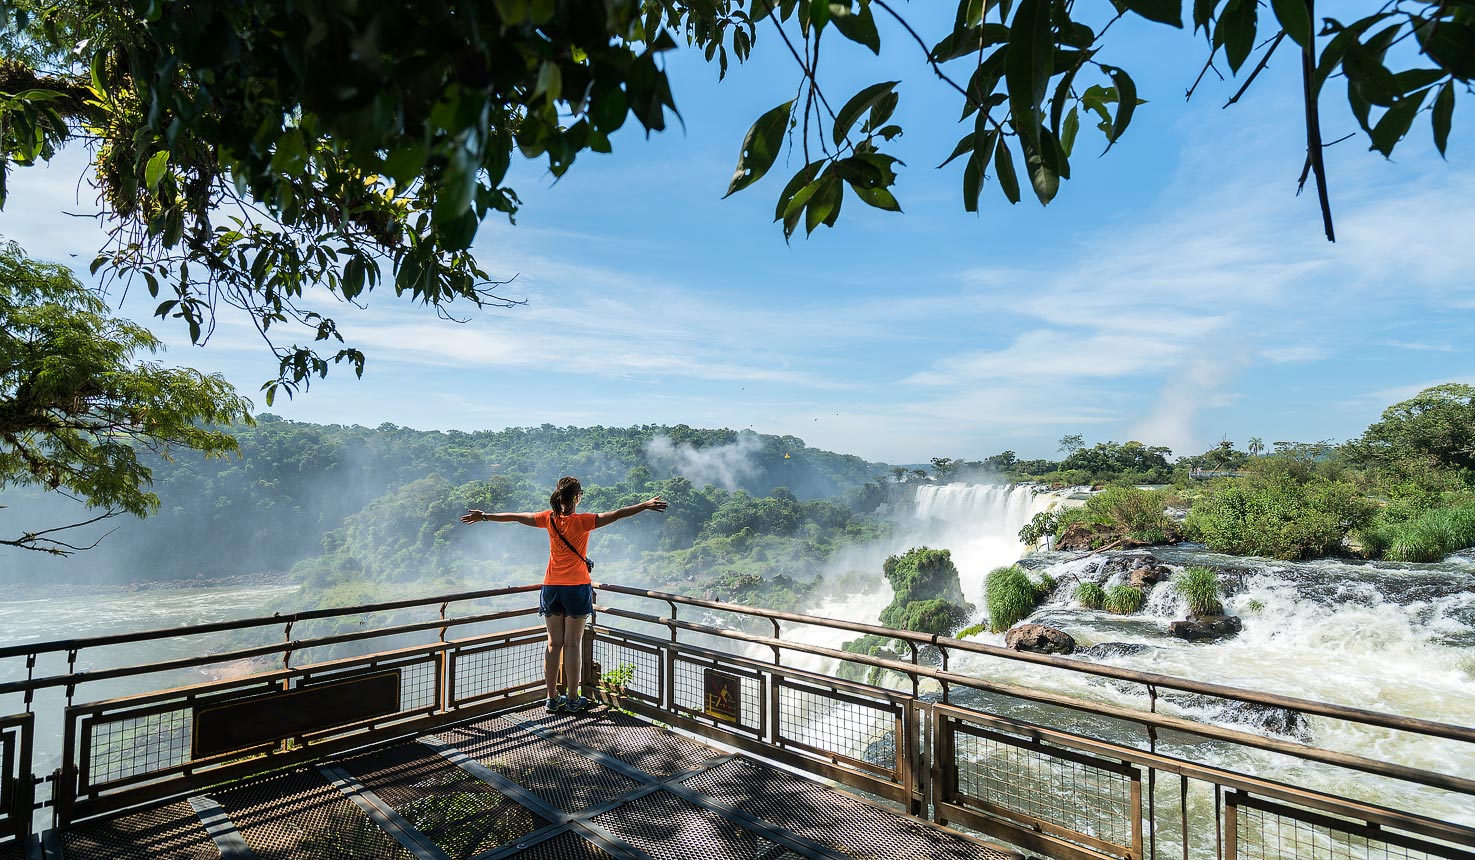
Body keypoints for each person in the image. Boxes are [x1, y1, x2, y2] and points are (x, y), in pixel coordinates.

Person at [461, 476, 666, 713]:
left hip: (551, 587)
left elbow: (516, 517)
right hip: (576, 587)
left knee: (553, 643)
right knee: (572, 643)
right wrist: (644, 505)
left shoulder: (548, 519)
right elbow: (618, 513)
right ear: (577, 497)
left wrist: (484, 516)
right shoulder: (584, 521)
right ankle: (572, 698)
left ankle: (551, 698)